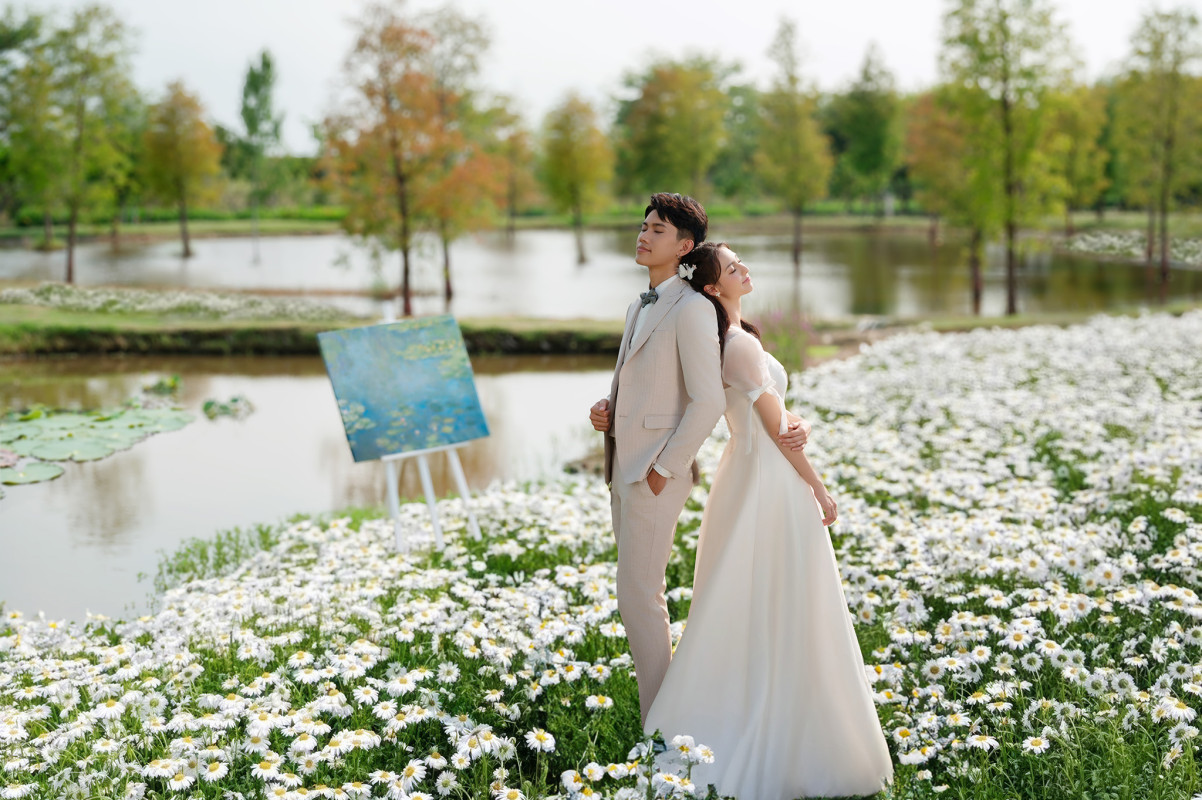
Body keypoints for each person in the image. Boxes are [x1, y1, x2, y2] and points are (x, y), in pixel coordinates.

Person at [644, 242, 894, 799]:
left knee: (758, 596)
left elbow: (775, 415)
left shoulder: (734, 339)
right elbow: (776, 432)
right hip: (768, 479)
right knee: (785, 597)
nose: (743, 270)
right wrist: (819, 486)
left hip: (750, 469)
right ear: (712, 288)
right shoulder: (737, 345)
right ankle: (787, 733)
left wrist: (794, 420)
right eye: (733, 268)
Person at [588, 194, 809, 725]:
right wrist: (608, 409)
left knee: (640, 598)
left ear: (685, 246)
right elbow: (650, 386)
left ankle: (660, 724)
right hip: (625, 467)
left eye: (658, 230)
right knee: (637, 598)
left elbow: (708, 401)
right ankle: (665, 717)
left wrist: (665, 470)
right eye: (643, 226)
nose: (644, 235)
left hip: (653, 473)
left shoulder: (690, 310)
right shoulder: (639, 306)